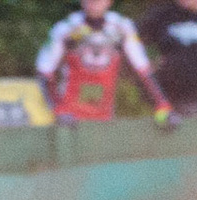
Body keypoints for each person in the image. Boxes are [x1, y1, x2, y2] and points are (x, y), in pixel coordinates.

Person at [37, 0, 178, 128]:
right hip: (70, 118)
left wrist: (162, 105)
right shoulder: (65, 28)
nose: (94, 2)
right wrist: (58, 110)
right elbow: (44, 71)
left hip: (105, 116)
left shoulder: (122, 27)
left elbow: (143, 70)